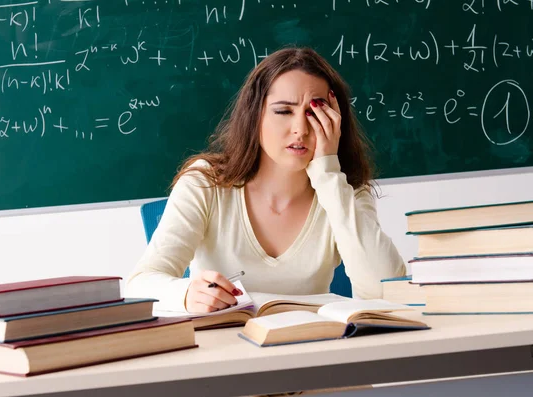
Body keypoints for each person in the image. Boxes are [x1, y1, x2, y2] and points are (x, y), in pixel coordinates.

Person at [125, 47, 406, 313]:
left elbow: (386, 292)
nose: (300, 129)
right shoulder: (204, 183)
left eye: (315, 113)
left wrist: (328, 174)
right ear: (255, 115)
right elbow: (140, 283)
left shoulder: (347, 192)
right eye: (283, 111)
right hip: (224, 353)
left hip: (310, 348)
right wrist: (187, 294)